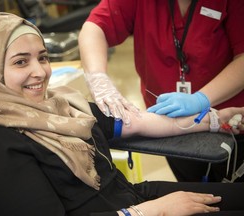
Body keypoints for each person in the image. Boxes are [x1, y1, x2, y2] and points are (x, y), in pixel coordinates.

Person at [0, 12, 244, 216]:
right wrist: (150, 212)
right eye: (21, 62)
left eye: (42, 57)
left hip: (131, 197)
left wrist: (218, 119)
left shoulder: (62, 106)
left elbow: (143, 123)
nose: (40, 72)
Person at [78, 0, 244, 182]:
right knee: (194, 187)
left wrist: (201, 99)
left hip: (232, 119)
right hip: (169, 120)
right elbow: (95, 28)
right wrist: (97, 78)